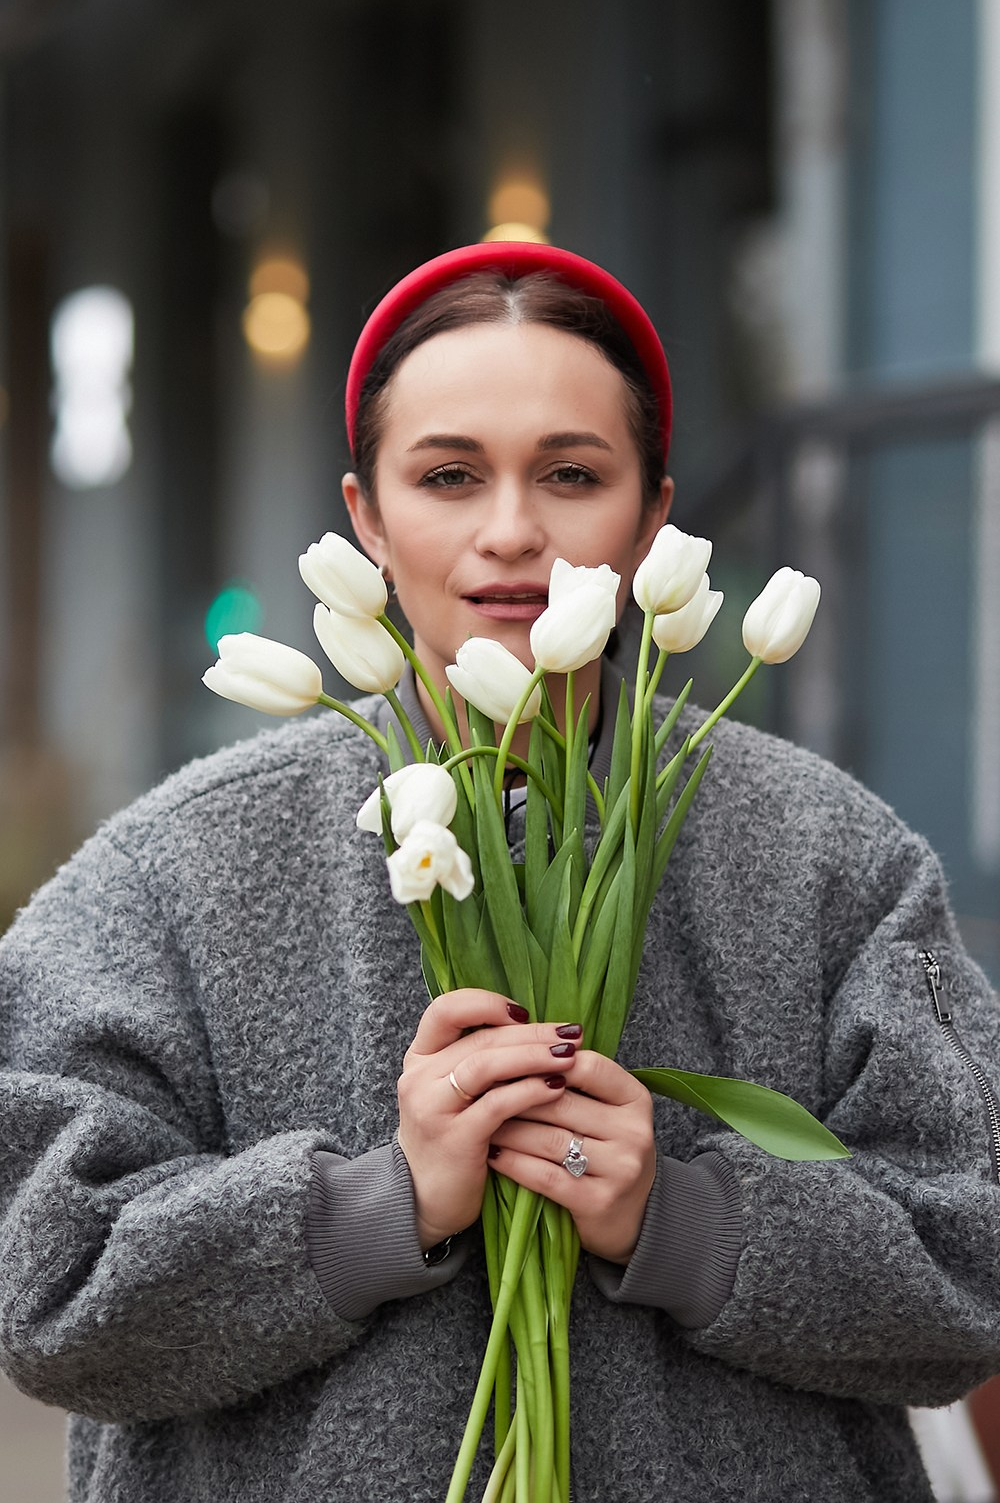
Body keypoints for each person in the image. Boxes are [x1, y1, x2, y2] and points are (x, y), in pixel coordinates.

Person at [1, 241, 999, 1503]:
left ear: (650, 520)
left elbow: (972, 1267)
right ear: (365, 515)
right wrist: (376, 1206)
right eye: (449, 475)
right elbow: (46, 1289)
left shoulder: (826, 857)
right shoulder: (164, 878)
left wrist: (678, 1222)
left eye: (573, 474)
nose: (512, 532)